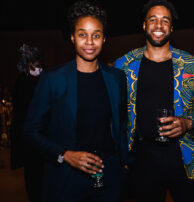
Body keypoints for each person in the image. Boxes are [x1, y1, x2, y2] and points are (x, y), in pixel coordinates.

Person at [23, 1, 129, 201]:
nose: (89, 42)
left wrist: (123, 162)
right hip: (66, 178)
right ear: (72, 37)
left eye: (96, 35)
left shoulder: (116, 78)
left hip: (109, 176)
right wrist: (65, 155)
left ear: (104, 39)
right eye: (82, 34)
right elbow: (30, 130)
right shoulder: (53, 79)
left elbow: (121, 124)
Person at [114, 0, 194, 201]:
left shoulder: (192, 65)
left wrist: (188, 122)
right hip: (141, 157)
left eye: (165, 21)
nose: (159, 26)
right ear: (144, 25)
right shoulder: (124, 65)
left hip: (184, 155)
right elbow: (116, 113)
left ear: (171, 28)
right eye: (153, 20)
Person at [10, 44, 44, 201]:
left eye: (38, 63)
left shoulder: (42, 78)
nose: (38, 67)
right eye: (34, 64)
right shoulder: (22, 83)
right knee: (33, 177)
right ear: (27, 64)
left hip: (43, 138)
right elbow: (22, 115)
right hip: (30, 140)